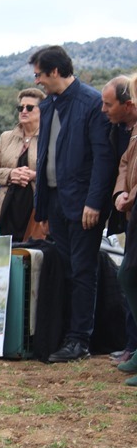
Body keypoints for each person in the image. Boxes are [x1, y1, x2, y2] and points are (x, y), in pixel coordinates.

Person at [29, 45, 114, 363]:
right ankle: (62, 333)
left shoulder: (92, 103)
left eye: (39, 74)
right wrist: (43, 209)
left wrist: (94, 203)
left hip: (83, 207)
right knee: (62, 270)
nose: (37, 81)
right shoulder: (48, 106)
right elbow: (45, 160)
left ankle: (80, 339)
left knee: (82, 271)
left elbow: (102, 159)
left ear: (54, 71)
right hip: (55, 204)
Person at [101, 75, 137, 366]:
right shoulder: (132, 129)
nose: (104, 110)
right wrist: (121, 192)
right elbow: (126, 162)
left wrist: (131, 193)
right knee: (128, 275)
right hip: (131, 209)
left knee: (129, 274)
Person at [0, 88, 46, 241]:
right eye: (21, 107)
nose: (24, 111)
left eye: (29, 107)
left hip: (34, 210)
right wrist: (11, 174)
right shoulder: (6, 137)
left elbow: (59, 173)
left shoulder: (50, 138)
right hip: (6, 209)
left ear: (42, 111)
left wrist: (34, 175)